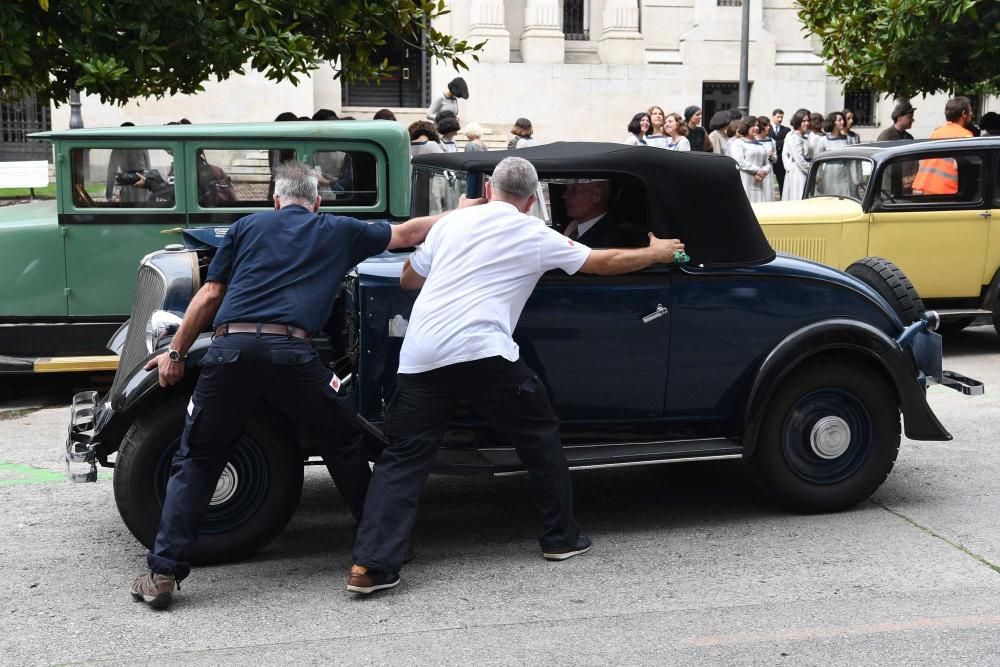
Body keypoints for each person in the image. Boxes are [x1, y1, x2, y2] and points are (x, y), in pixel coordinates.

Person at [347, 157, 685, 594]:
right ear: (530, 202)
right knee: (538, 434)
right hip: (483, 351)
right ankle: (560, 539)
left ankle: (371, 566)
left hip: (422, 354)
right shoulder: (532, 233)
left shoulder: (452, 224)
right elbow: (602, 262)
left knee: (403, 459)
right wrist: (656, 254)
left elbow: (410, 278)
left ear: (489, 190)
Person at [128, 161, 452, 609]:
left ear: (275, 200)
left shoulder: (245, 226)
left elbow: (209, 295)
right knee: (344, 442)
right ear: (315, 200)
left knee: (198, 457)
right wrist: (466, 212)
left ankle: (162, 572)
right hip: (291, 353)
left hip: (229, 350)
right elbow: (409, 233)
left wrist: (176, 354)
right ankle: (377, 548)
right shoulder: (337, 228)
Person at [912, 96, 975, 195]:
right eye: (970, 110)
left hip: (923, 188)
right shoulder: (965, 135)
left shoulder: (936, 132)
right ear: (963, 114)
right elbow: (968, 166)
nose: (972, 113)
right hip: (946, 192)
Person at [561, 180, 641, 247]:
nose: (564, 195)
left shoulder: (612, 240)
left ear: (597, 195)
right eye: (567, 189)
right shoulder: (573, 228)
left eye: (575, 189)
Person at [105, 122, 150, 204]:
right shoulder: (142, 144)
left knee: (127, 211)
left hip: (128, 184)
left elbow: (111, 171)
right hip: (140, 184)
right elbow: (148, 167)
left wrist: (109, 194)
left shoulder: (117, 147)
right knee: (142, 211)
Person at [729, 117, 771, 203]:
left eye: (757, 125)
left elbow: (767, 163)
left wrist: (763, 171)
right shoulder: (738, 143)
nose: (756, 128)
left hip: (759, 180)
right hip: (745, 180)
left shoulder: (760, 144)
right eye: (753, 125)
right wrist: (757, 171)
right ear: (746, 126)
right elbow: (739, 161)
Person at [781, 109, 813, 201]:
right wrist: (811, 172)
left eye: (808, 121)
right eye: (804, 121)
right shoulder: (794, 137)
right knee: (799, 195)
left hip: (804, 170)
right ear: (798, 121)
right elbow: (799, 159)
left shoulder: (805, 137)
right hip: (799, 172)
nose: (807, 123)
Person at [756, 115, 778, 202]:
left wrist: (772, 156)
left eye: (769, 125)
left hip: (768, 171)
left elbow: (775, 159)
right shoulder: (753, 140)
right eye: (765, 125)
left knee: (768, 194)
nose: (768, 127)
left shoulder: (772, 141)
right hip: (757, 170)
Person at [769, 109, 790, 193]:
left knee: (782, 183)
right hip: (770, 160)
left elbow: (787, 143)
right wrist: (782, 141)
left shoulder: (786, 130)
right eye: (778, 117)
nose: (780, 119)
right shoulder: (767, 129)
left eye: (781, 117)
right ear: (773, 117)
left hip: (781, 160)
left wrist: (774, 143)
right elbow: (769, 143)